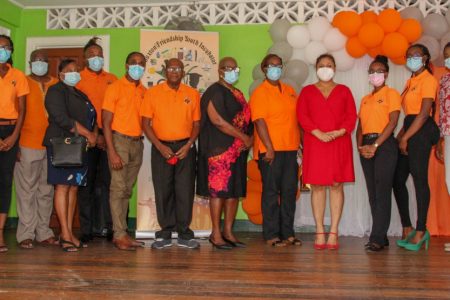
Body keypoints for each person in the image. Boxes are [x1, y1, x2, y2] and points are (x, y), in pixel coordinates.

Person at [297, 54, 357, 250]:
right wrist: (318, 133)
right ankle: (320, 231)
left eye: (329, 65)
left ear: (335, 68)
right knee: (317, 186)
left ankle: (334, 232)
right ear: (316, 68)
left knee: (336, 185)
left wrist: (338, 132)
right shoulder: (307, 91)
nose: (325, 68)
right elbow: (302, 115)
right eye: (321, 65)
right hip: (316, 142)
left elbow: (351, 116)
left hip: (339, 142)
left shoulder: (344, 91)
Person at [141, 58, 201, 250]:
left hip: (186, 148)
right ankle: (165, 233)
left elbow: (197, 123)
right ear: (165, 71)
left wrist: (190, 144)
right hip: (161, 148)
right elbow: (145, 124)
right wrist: (159, 146)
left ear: (183, 72)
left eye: (178, 68)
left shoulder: (192, 94)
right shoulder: (153, 93)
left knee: (185, 191)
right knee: (163, 190)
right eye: (171, 68)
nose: (175, 71)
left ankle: (184, 233)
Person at [197, 57, 253, 250]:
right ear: (220, 71)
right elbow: (218, 121)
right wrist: (243, 137)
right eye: (228, 68)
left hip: (237, 151)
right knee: (218, 192)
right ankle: (216, 234)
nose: (232, 71)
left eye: (235, 68)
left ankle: (228, 232)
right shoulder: (214, 91)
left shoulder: (237, 92)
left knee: (234, 192)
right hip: (218, 152)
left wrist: (249, 137)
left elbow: (246, 118)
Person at [43, 59, 97, 252]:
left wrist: (94, 133)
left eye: (77, 70)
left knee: (73, 188)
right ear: (60, 74)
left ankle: (69, 233)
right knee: (63, 186)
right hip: (62, 144)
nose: (74, 73)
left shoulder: (79, 93)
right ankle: (65, 234)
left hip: (79, 147)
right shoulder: (55, 91)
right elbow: (61, 118)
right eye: (69, 70)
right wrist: (87, 133)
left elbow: (92, 115)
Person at [249, 54, 301, 247]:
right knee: (271, 192)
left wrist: (301, 146)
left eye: (279, 66)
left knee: (289, 191)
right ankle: (271, 234)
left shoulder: (289, 91)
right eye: (271, 66)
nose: (275, 69)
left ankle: (288, 232)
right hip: (270, 151)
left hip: (290, 148)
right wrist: (269, 148)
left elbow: (296, 120)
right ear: (264, 68)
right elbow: (259, 121)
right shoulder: (260, 92)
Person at [393, 44, 439, 251]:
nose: (412, 59)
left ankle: (422, 230)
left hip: (422, 130)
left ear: (426, 58)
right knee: (397, 179)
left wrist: (406, 138)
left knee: (420, 179)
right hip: (411, 127)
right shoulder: (410, 81)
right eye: (409, 56)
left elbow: (423, 113)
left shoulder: (428, 80)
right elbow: (410, 114)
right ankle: (407, 225)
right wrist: (401, 135)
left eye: (416, 55)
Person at [14, 49, 59, 249]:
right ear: (30, 63)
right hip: (26, 144)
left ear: (48, 63)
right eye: (36, 60)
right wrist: (14, 144)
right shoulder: (22, 82)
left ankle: (43, 232)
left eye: (43, 60)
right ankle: (25, 233)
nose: (40, 63)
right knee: (26, 191)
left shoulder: (56, 83)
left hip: (51, 146)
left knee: (46, 191)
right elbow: (15, 112)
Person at [356, 55, 401, 252]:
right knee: (373, 193)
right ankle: (380, 236)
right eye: (371, 71)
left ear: (386, 74)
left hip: (384, 145)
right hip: (365, 145)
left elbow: (392, 123)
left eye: (379, 71)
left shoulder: (392, 93)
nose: (375, 74)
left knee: (382, 191)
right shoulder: (365, 99)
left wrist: (374, 146)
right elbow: (360, 127)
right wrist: (361, 147)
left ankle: (376, 237)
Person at [103, 52, 146, 251]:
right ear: (126, 65)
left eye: (141, 64)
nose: (138, 67)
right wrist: (111, 151)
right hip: (119, 141)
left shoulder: (144, 90)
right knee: (118, 189)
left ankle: (123, 233)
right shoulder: (114, 88)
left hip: (138, 143)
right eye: (134, 63)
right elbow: (106, 121)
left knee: (127, 191)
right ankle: (118, 234)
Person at [77, 37, 117, 243]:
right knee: (86, 184)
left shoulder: (112, 79)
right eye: (92, 55)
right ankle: (87, 229)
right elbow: (75, 110)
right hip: (86, 137)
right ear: (85, 59)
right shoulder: (77, 79)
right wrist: (93, 134)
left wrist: (105, 135)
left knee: (109, 184)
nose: (96, 59)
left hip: (109, 136)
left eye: (99, 56)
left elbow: (118, 108)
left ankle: (109, 227)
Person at [0, 35, 29, 253]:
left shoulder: (18, 76)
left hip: (11, 131)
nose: (2, 50)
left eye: (6, 47)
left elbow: (22, 110)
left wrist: (14, 136)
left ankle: (0, 234)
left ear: (11, 50)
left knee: (5, 181)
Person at [434, 42, 450, 252]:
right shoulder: (444, 80)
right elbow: (442, 114)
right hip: (448, 134)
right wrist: (441, 138)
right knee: (449, 181)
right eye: (446, 55)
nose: (448, 58)